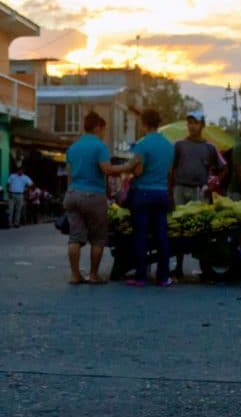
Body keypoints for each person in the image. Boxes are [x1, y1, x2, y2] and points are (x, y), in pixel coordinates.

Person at [63, 111, 132, 284]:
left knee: (75, 237)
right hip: (93, 195)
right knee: (98, 238)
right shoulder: (100, 147)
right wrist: (127, 167)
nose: (104, 133)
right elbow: (106, 169)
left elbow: (69, 176)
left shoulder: (73, 147)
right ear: (97, 127)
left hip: (72, 194)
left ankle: (75, 274)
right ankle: (93, 275)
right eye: (103, 129)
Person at [125, 108, 174, 287]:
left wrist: (129, 172)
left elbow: (138, 170)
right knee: (162, 235)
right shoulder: (169, 146)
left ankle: (141, 276)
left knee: (141, 236)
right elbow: (170, 173)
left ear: (144, 123)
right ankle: (163, 277)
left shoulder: (142, 145)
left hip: (143, 193)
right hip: (161, 193)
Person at [170, 109, 219, 278]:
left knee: (200, 228)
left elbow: (223, 167)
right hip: (180, 189)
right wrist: (170, 192)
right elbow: (172, 169)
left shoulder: (210, 148)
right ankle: (178, 266)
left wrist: (213, 184)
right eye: (190, 123)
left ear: (202, 125)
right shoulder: (179, 145)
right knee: (179, 228)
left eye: (195, 123)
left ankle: (204, 266)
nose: (192, 126)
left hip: (200, 191)